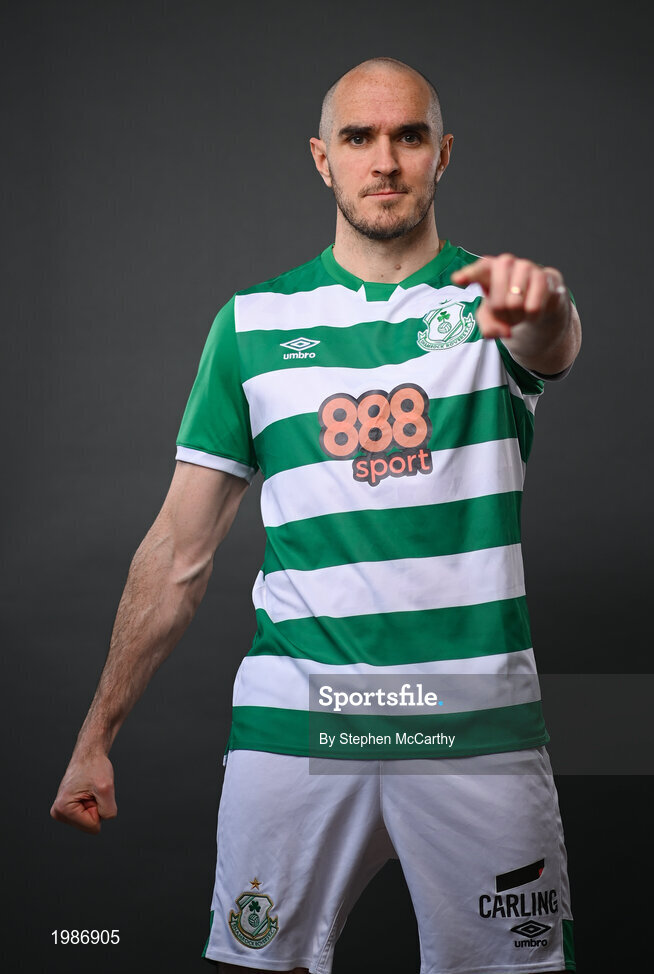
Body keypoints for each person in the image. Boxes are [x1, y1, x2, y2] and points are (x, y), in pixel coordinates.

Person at [51, 57, 581, 974]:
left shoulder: (488, 305)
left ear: (442, 154)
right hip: (302, 723)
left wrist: (545, 306)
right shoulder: (251, 326)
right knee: (261, 961)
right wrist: (95, 735)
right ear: (321, 157)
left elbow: (552, 341)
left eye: (408, 136)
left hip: (472, 730)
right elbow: (178, 553)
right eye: (358, 137)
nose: (385, 160)